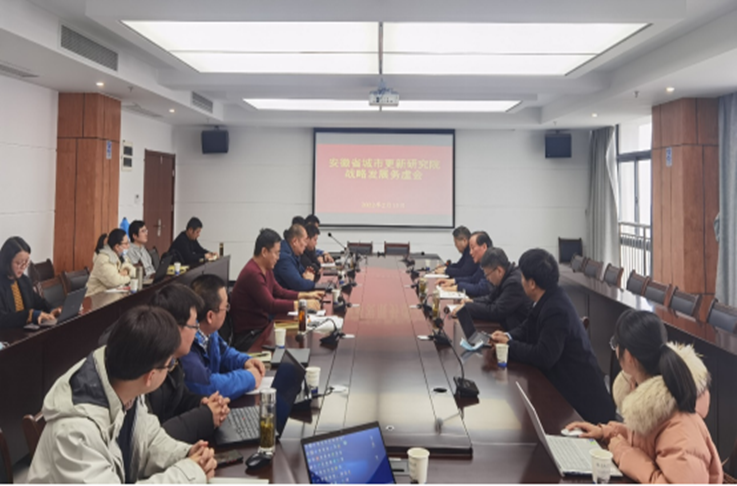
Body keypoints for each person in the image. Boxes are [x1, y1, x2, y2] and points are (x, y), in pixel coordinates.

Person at [28, 306, 217, 483]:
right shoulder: (76, 434)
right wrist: (188, 473)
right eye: (170, 364)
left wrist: (185, 454)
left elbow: (147, 439)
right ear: (150, 376)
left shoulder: (126, 383)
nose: (171, 369)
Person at [566, 310, 722, 484]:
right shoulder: (651, 398)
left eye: (615, 343)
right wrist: (606, 433)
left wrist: (624, 453)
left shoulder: (681, 427)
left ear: (629, 357)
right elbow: (645, 441)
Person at [490, 248, 614, 424]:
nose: (520, 280)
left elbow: (544, 356)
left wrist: (508, 347)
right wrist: (507, 336)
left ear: (532, 284)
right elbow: (527, 327)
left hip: (583, 405)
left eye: (523, 277)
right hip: (564, 391)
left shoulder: (556, 309)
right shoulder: (547, 297)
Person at [147, 284, 231, 443]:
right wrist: (205, 416)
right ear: (174, 328)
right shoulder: (146, 370)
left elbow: (179, 399)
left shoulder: (173, 361)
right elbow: (152, 438)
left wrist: (202, 403)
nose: (196, 332)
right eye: (193, 326)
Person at [230, 229, 323, 352]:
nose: (278, 258)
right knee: (291, 347)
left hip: (263, 328)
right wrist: (302, 304)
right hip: (250, 337)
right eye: (276, 253)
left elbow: (280, 292)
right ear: (264, 252)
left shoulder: (266, 268)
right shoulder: (253, 273)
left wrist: (306, 295)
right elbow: (271, 305)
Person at [182, 274, 265, 400]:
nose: (227, 311)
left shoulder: (209, 332)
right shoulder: (186, 344)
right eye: (225, 307)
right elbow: (208, 386)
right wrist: (249, 378)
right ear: (210, 316)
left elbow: (224, 353)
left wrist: (245, 362)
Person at [452, 247, 531, 331]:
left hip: (515, 331)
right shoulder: (506, 276)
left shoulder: (514, 283)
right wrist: (473, 301)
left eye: (487, 274)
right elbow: (491, 298)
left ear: (499, 271)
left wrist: (467, 308)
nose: (487, 279)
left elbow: (496, 311)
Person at [0, 237, 60, 329]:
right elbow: (2, 319)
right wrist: (30, 315)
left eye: (26, 262)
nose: (23, 267)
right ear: (7, 262)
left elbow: (39, 302)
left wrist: (52, 310)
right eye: (19, 263)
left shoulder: (25, 281)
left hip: (26, 333)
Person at [437, 231, 493, 297]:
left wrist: (458, 287)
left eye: (472, 248)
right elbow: (473, 279)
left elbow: (481, 289)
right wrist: (453, 281)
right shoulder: (482, 263)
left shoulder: (492, 263)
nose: (470, 252)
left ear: (484, 247)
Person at [87, 229, 136, 296]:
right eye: (126, 243)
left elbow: (134, 271)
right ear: (117, 247)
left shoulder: (120, 256)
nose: (128, 246)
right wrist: (130, 277)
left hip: (109, 296)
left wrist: (127, 271)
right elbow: (115, 282)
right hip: (95, 297)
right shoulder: (103, 259)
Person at [274, 224, 318, 291]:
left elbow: (303, 273)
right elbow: (299, 285)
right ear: (295, 241)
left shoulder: (293, 254)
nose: (306, 244)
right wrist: (310, 280)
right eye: (304, 241)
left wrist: (307, 274)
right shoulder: (284, 258)